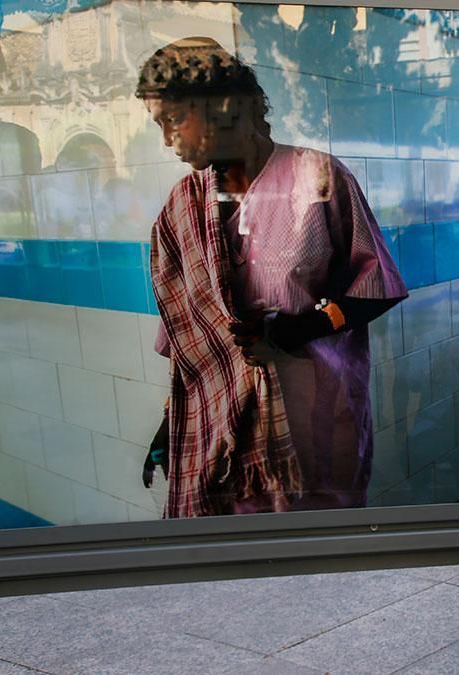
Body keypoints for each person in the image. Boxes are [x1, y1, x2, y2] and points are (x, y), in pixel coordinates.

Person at [136, 37, 407, 517]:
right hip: (223, 445)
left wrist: (298, 329)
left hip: (314, 427)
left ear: (221, 106)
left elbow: (377, 287)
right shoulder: (181, 208)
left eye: (173, 120)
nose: (166, 140)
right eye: (159, 124)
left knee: (319, 563)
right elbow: (191, 343)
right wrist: (170, 422)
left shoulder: (316, 178)